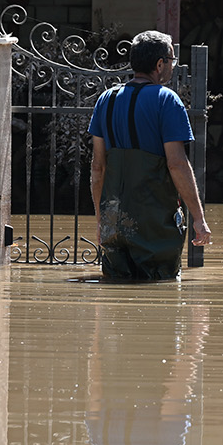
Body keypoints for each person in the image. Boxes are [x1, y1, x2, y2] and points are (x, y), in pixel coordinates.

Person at [88, 30, 213, 280]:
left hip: (114, 223)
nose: (172, 66)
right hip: (153, 224)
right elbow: (177, 164)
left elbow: (97, 169)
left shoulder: (106, 100)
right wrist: (198, 218)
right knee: (160, 292)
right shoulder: (167, 100)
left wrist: (101, 221)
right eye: (172, 60)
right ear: (159, 64)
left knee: (114, 295)